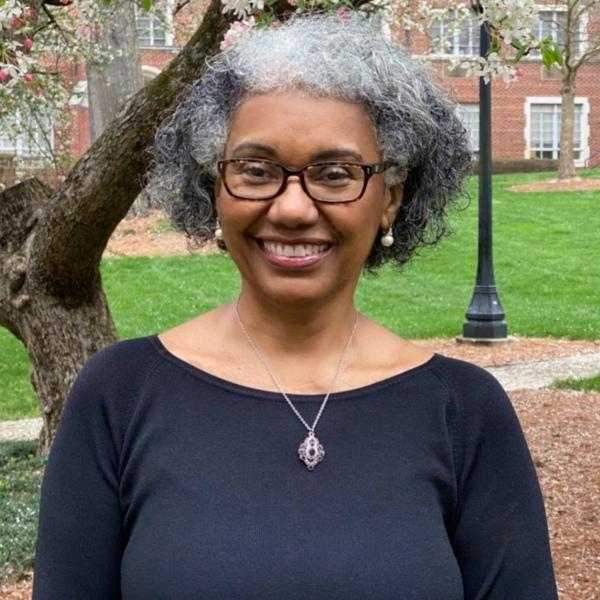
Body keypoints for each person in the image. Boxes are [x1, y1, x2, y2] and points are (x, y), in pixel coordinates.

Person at [33, 12, 558, 599]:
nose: (290, 208)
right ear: (214, 187)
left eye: (335, 174)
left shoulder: (463, 414)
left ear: (390, 199)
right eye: (255, 170)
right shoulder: (119, 396)